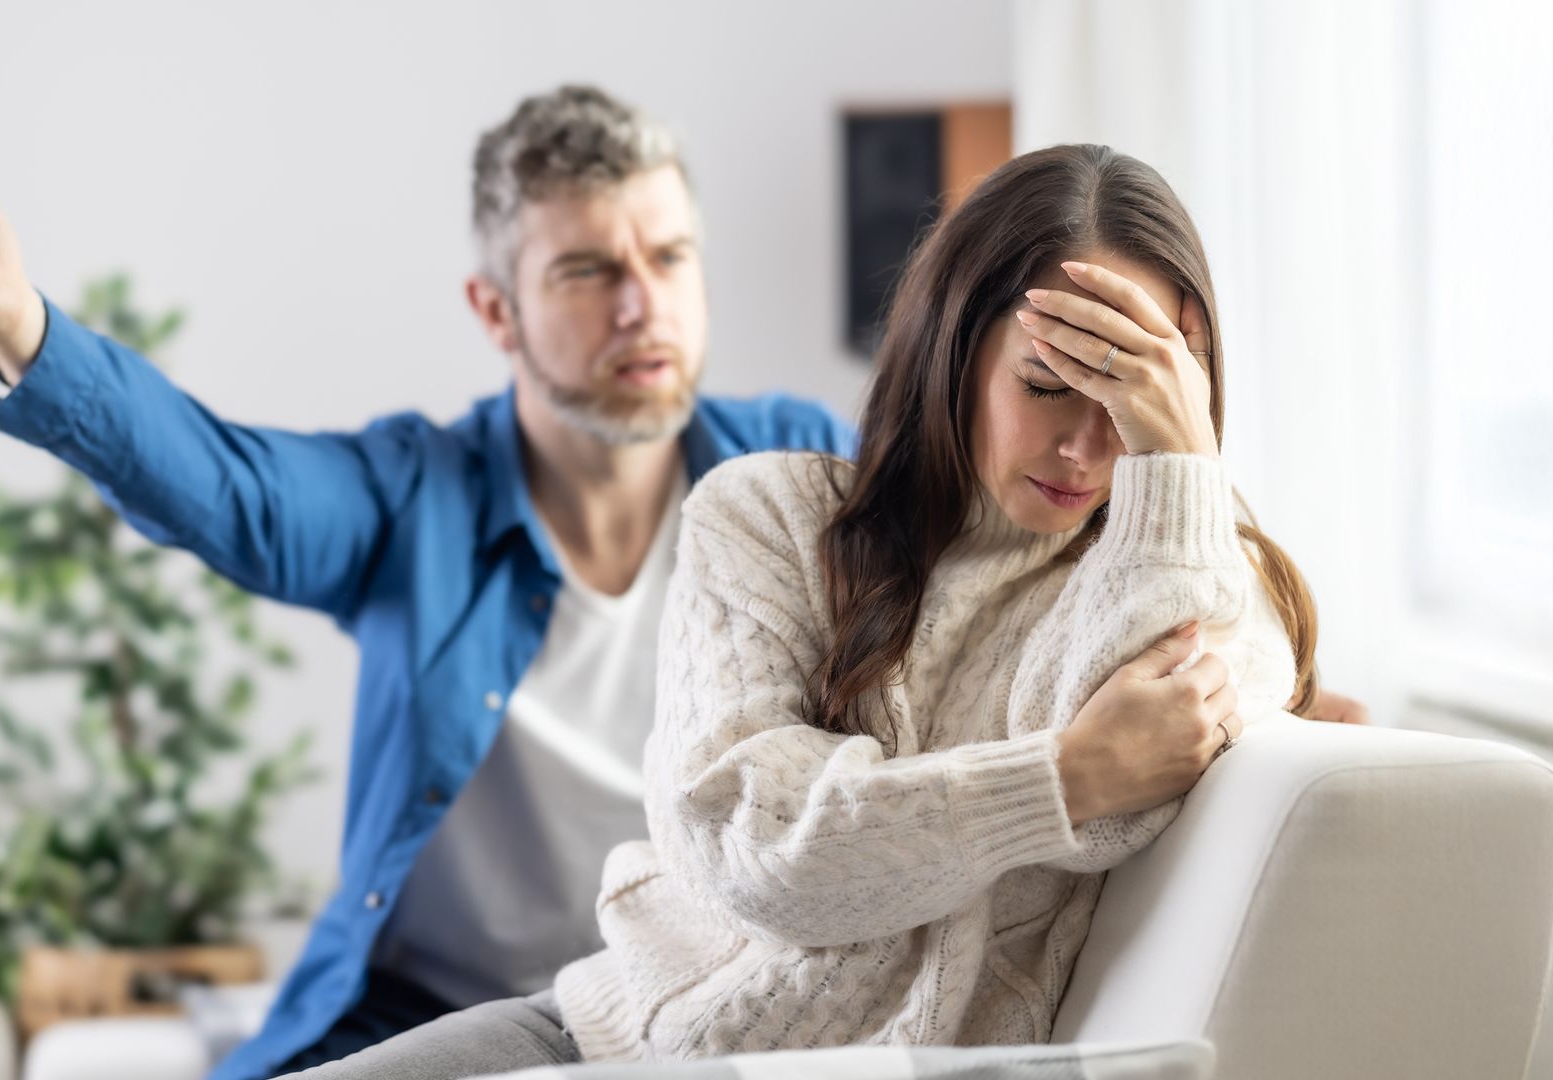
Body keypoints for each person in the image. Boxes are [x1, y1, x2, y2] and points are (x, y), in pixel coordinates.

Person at [0, 91, 1365, 1079]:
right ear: (495, 306)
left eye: (672, 260)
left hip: (717, 995)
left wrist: (1263, 666)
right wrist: (25, 327)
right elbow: (226, 484)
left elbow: (1046, 609)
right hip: (500, 993)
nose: (646, 308)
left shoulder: (810, 464)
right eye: (588, 272)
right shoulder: (446, 501)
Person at [282, 142, 1334, 1078]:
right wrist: (1058, 775)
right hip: (614, 1032)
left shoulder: (1214, 585)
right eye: (1050, 384)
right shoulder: (767, 515)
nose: (1085, 449)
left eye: (1134, 404)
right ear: (956, 348)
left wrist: (1181, 466)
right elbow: (747, 842)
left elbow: (1129, 809)